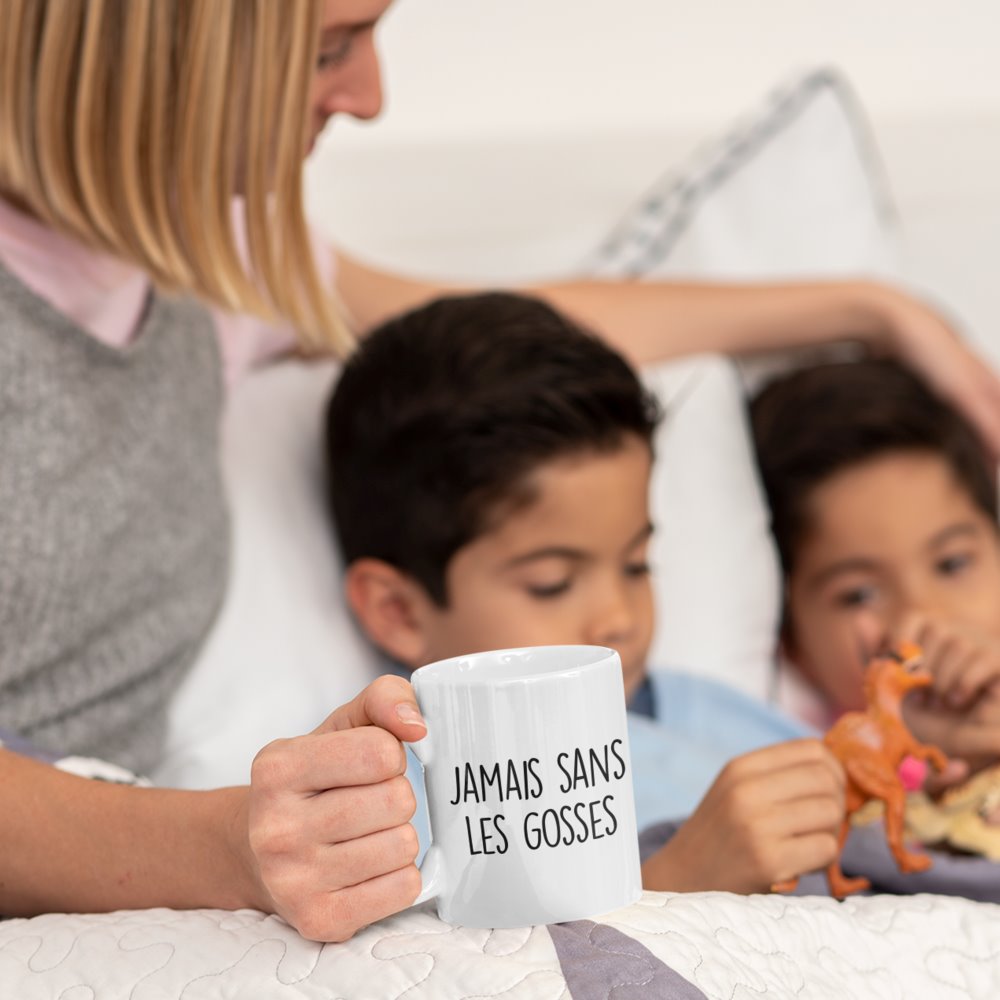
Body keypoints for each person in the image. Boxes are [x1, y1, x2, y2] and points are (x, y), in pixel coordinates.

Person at [0, 0, 997, 941]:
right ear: (147, 42)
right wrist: (226, 846)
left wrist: (873, 309)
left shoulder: (203, 256)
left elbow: (501, 339)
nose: (368, 97)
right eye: (324, 50)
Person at [326, 290, 849, 895]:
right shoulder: (394, 808)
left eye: (635, 565)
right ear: (398, 611)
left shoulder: (706, 713)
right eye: (553, 584)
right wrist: (678, 881)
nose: (619, 619)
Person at [750, 358, 1000, 783]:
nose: (923, 619)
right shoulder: (819, 778)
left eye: (952, 564)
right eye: (859, 595)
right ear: (792, 643)